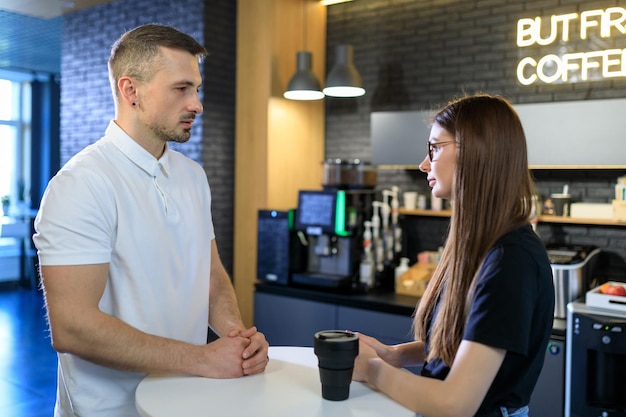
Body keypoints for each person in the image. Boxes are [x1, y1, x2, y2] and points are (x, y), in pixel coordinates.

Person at [33, 24, 269, 417]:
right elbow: (72, 326)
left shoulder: (193, 176)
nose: (197, 104)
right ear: (131, 91)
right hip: (110, 410)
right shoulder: (82, 184)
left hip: (186, 401)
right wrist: (204, 359)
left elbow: (210, 279)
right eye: (181, 89)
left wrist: (235, 339)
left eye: (197, 88)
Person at [352, 94, 554, 417]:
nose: (424, 164)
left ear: (474, 150)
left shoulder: (512, 259)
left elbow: (455, 404)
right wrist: (394, 355)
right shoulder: (480, 246)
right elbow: (462, 343)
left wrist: (373, 371)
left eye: (434, 148)